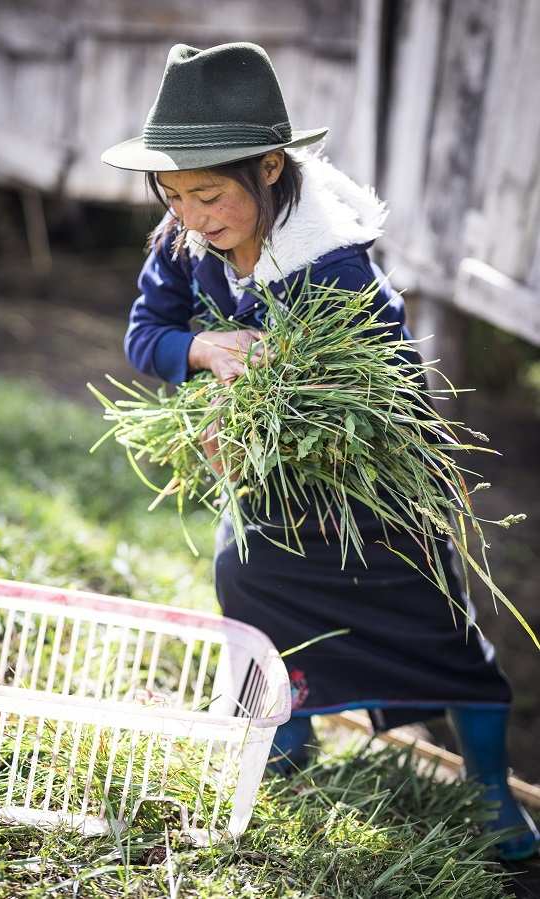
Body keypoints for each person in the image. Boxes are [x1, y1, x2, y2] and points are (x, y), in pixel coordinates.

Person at [102, 41, 539, 861]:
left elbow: (386, 389)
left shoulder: (333, 263)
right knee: (247, 581)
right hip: (264, 487)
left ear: (271, 167)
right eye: (174, 195)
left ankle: (490, 796)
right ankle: (290, 740)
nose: (194, 215)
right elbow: (144, 334)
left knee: (439, 629)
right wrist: (202, 353)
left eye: (209, 194)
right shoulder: (180, 243)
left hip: (366, 491)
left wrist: (263, 412)